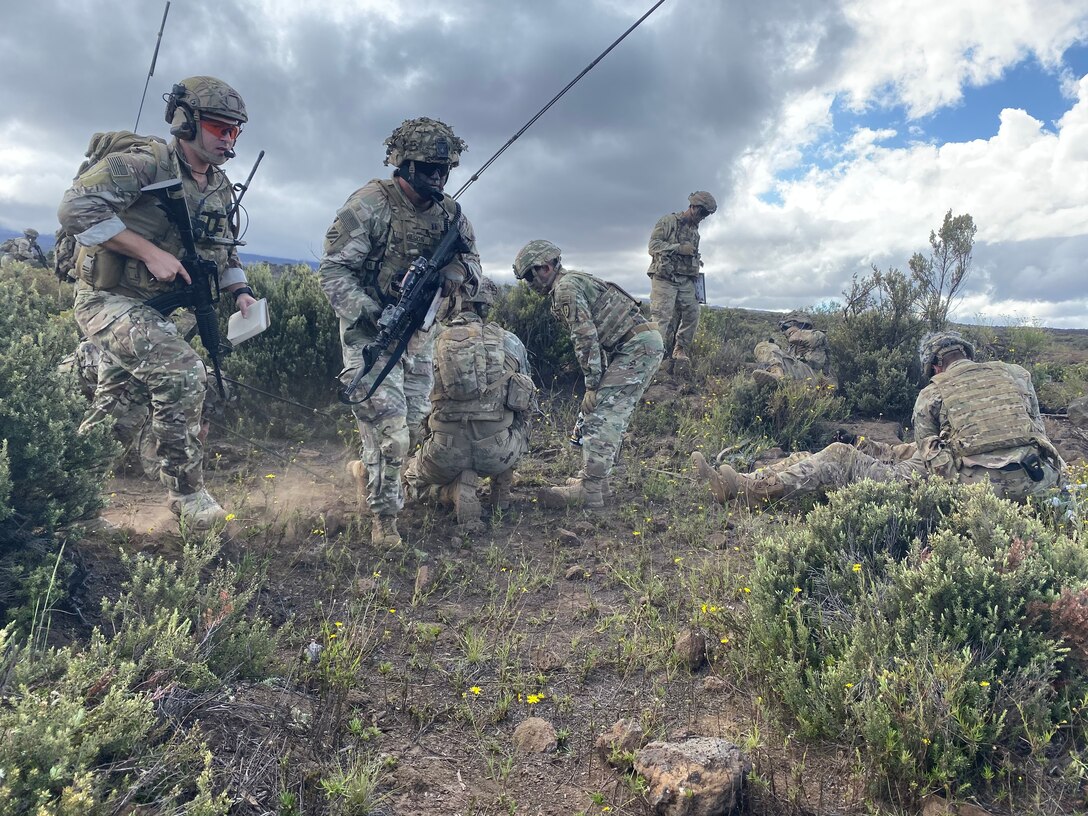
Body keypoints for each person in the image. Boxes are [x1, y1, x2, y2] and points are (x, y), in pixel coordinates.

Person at [57, 75, 257, 529]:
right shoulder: (146, 164)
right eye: (219, 127)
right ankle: (188, 496)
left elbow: (224, 248)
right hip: (107, 300)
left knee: (120, 410)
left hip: (158, 309)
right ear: (186, 122)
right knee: (184, 373)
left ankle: (68, 502)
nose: (228, 138)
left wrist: (240, 291)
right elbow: (74, 209)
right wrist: (148, 251)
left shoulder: (219, 186)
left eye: (235, 131)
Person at [321, 117, 482, 549]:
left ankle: (366, 474)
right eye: (429, 168)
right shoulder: (371, 204)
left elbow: (475, 267)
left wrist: (458, 270)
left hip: (420, 338)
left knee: (410, 425)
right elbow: (334, 272)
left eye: (445, 169)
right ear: (405, 165)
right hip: (371, 338)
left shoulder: (451, 215)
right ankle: (384, 523)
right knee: (391, 432)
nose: (439, 177)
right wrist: (373, 313)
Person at [692, 331, 1063, 504]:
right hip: (1038, 480)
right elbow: (1037, 434)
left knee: (840, 457)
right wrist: (885, 452)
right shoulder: (1016, 375)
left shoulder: (933, 392)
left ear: (935, 364)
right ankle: (763, 473)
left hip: (980, 492)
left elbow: (933, 461)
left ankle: (746, 489)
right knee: (892, 451)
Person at [513, 239, 663, 508]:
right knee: (606, 412)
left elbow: (585, 337)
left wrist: (592, 385)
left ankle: (591, 489)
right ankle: (598, 481)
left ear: (544, 268)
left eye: (528, 276)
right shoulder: (573, 281)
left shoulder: (566, 290)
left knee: (602, 414)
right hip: (637, 345)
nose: (529, 284)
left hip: (635, 347)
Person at [401, 277, 535, 530]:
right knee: (523, 421)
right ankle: (500, 491)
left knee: (409, 483)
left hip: (443, 453)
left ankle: (451, 492)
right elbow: (527, 402)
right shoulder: (510, 341)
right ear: (486, 306)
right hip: (498, 452)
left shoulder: (427, 341)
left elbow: (413, 405)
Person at [647, 191, 716, 372]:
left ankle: (680, 349)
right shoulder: (668, 222)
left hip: (686, 279)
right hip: (665, 278)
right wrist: (679, 248)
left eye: (706, 215)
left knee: (693, 313)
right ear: (693, 207)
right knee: (661, 319)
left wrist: (695, 262)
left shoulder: (695, 231)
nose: (703, 218)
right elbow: (653, 246)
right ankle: (653, 358)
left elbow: (690, 253)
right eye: (702, 213)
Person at [753, 310, 835, 387]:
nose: (785, 331)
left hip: (819, 379)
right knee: (764, 348)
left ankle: (778, 376)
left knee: (770, 349)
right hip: (804, 378)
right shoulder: (792, 347)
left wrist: (793, 333)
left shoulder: (817, 335)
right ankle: (776, 375)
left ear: (799, 324)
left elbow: (801, 338)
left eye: (786, 327)